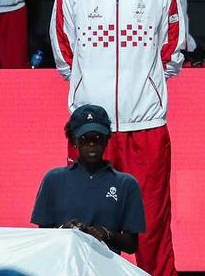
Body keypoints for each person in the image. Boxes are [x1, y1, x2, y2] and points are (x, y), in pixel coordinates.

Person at [50, 0, 185, 276]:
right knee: (87, 227)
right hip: (91, 132)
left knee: (152, 227)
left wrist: (142, 90)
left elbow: (172, 55)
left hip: (146, 128)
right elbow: (64, 58)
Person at [32, 104, 144, 255]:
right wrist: (64, 231)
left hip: (105, 266)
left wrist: (106, 234)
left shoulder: (126, 184)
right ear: (74, 140)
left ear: (106, 140)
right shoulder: (53, 180)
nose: (91, 144)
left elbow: (132, 245)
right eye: (85, 138)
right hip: (64, 265)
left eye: (97, 138)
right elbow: (42, 237)